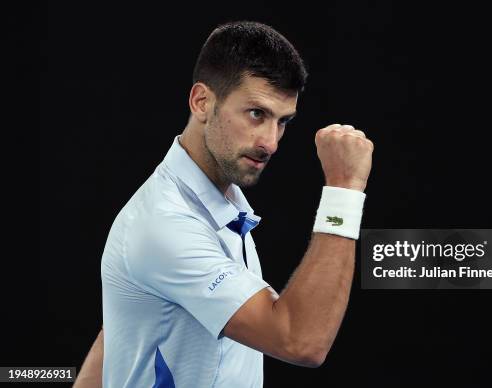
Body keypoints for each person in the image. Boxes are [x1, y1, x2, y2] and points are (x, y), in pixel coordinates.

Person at [73, 20, 373, 387]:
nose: (271, 142)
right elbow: (301, 340)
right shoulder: (165, 224)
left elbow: (125, 329)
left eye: (283, 122)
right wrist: (344, 190)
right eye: (256, 114)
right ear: (202, 102)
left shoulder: (217, 202)